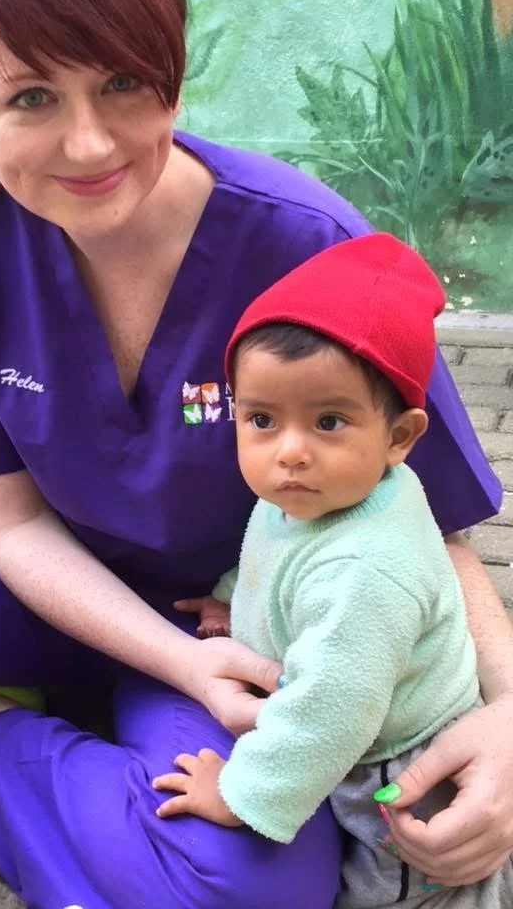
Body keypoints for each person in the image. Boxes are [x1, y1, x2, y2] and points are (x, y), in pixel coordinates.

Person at [0, 0, 510, 907]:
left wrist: (508, 719)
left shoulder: (306, 245)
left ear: (171, 72)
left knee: (250, 882)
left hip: (228, 632)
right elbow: (7, 524)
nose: (88, 144)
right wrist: (178, 664)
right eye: (32, 98)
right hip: (44, 591)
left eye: (122, 82)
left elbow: (438, 527)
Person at [152, 233, 513, 907]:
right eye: (262, 419)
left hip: (401, 771)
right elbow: (276, 560)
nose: (290, 452)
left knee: (409, 888)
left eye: (328, 421)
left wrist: (237, 795)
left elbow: (331, 712)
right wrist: (236, 603)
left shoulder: (369, 566)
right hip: (355, 731)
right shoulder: (316, 496)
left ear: (399, 437)